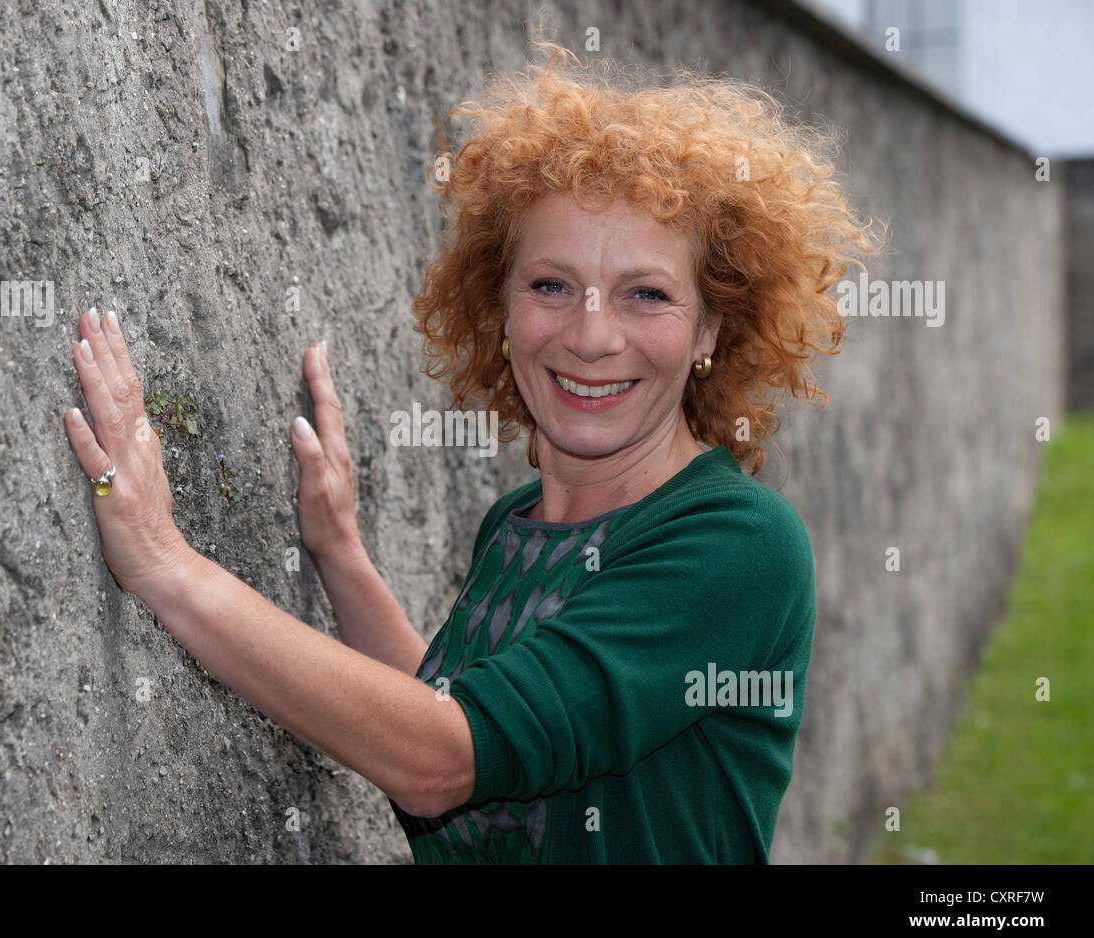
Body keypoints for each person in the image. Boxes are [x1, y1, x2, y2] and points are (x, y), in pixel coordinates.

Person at [63, 42, 878, 863]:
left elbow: (446, 758)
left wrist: (168, 563)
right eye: (551, 285)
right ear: (499, 307)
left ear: (710, 327)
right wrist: (339, 551)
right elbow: (479, 730)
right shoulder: (515, 528)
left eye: (647, 293)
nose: (592, 335)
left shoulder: (738, 544)